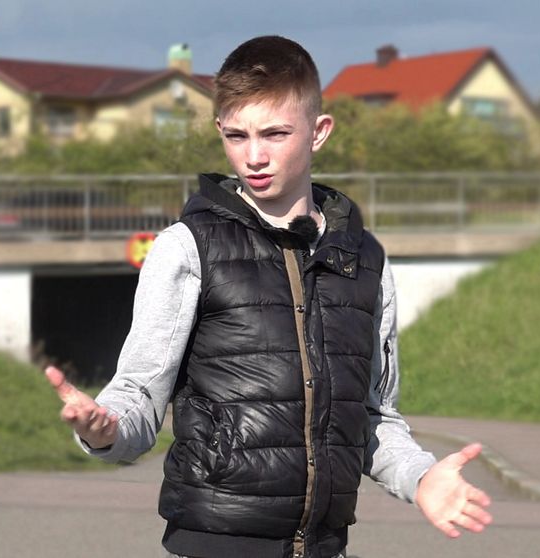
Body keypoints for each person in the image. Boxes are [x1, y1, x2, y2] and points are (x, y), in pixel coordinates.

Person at [44, 35, 492, 558]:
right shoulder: (187, 248)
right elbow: (139, 397)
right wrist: (105, 429)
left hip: (325, 547)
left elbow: (370, 417)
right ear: (220, 131)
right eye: (237, 136)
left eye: (275, 134)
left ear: (318, 132)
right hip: (216, 545)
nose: (253, 156)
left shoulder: (366, 260)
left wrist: (421, 479)